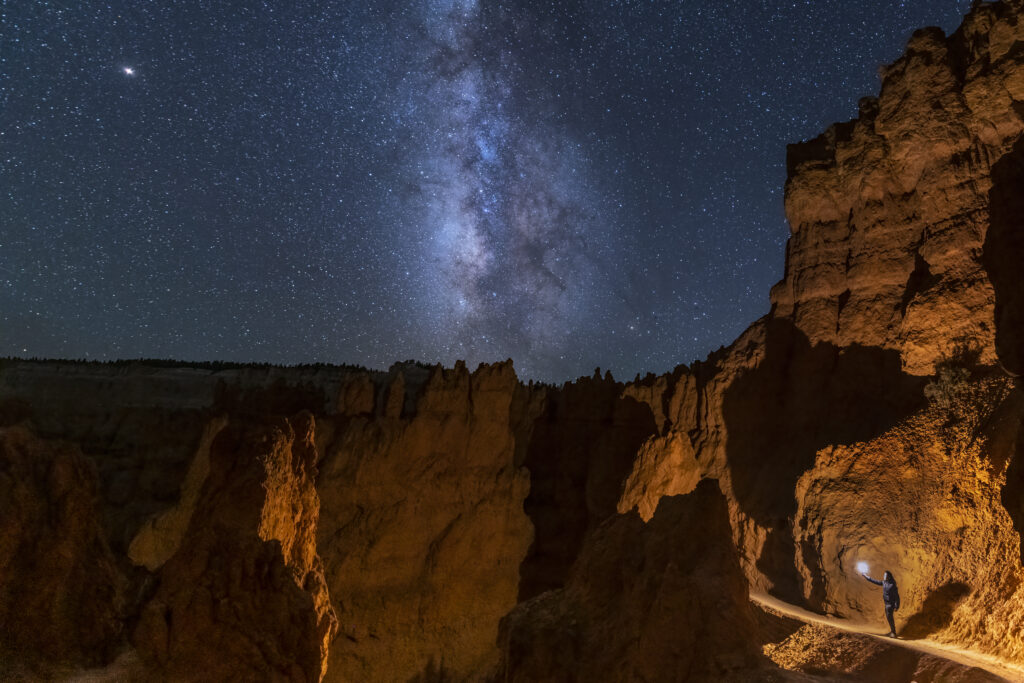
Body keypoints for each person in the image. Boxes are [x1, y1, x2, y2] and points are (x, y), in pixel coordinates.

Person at [862, 570, 900, 637]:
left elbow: (897, 596)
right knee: (889, 618)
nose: (884, 576)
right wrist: (866, 577)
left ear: (889, 577)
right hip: (886, 604)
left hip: (890, 605)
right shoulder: (884, 582)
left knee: (890, 618)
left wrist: (897, 605)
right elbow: (875, 581)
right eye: (884, 575)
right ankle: (892, 632)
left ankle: (893, 633)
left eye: (886, 575)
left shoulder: (892, 585)